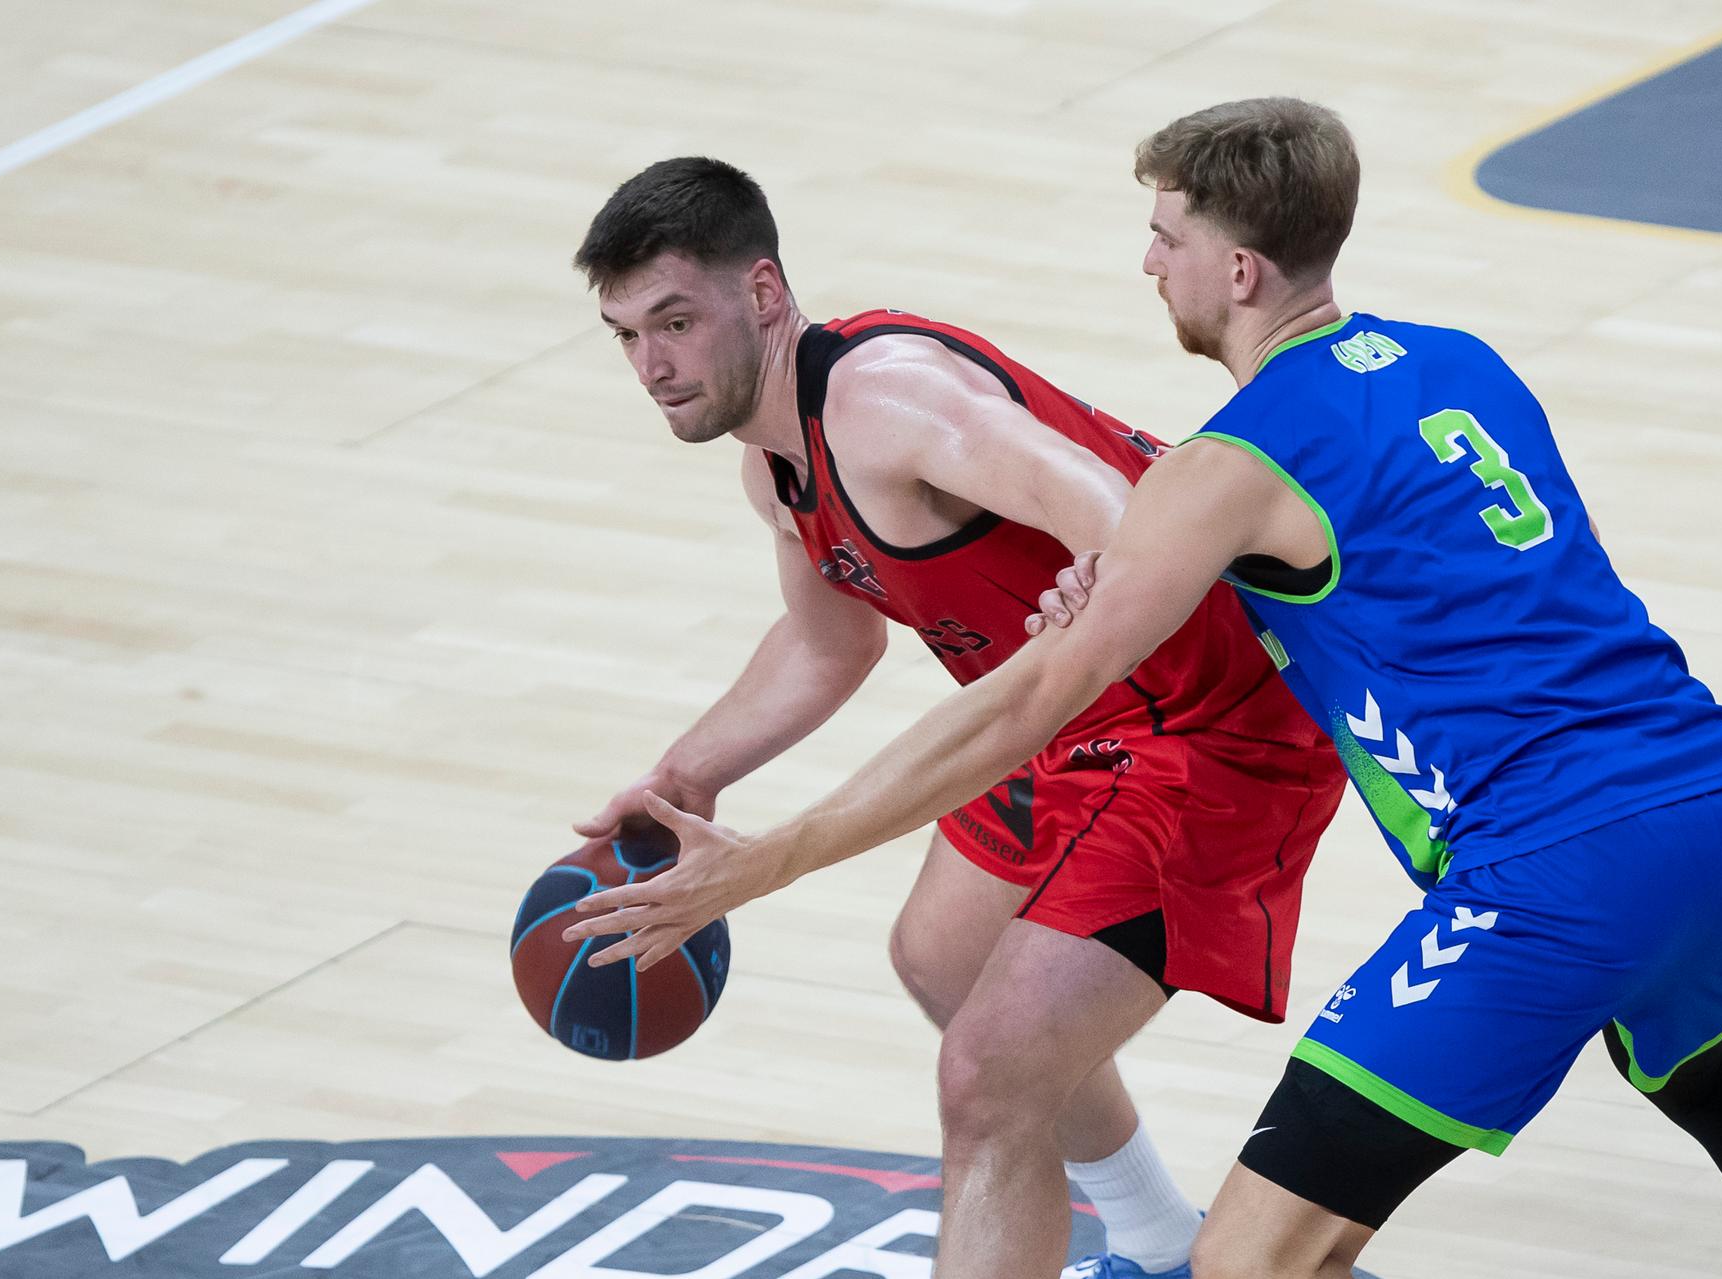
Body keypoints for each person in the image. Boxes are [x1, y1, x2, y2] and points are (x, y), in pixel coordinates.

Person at [569, 103, 1722, 1278]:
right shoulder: (1460, 361)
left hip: (1540, 871)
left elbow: (1046, 673)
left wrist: (777, 856)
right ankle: (1147, 1237)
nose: (1150, 263)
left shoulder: (1224, 465)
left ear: (1236, 270)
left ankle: (1169, 1246)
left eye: (1165, 236)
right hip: (1714, 803)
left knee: (1246, 1256)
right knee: (1706, 1080)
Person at [563, 156, 1345, 1279]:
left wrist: (1098, 567)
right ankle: (1161, 1244)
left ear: (764, 293)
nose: (653, 366)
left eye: (676, 323)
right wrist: (688, 774)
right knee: (942, 954)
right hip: (1074, 714)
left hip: (1209, 721)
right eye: (628, 335)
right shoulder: (778, 468)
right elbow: (830, 642)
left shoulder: (886, 401)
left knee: (988, 1080)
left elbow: (1113, 502)